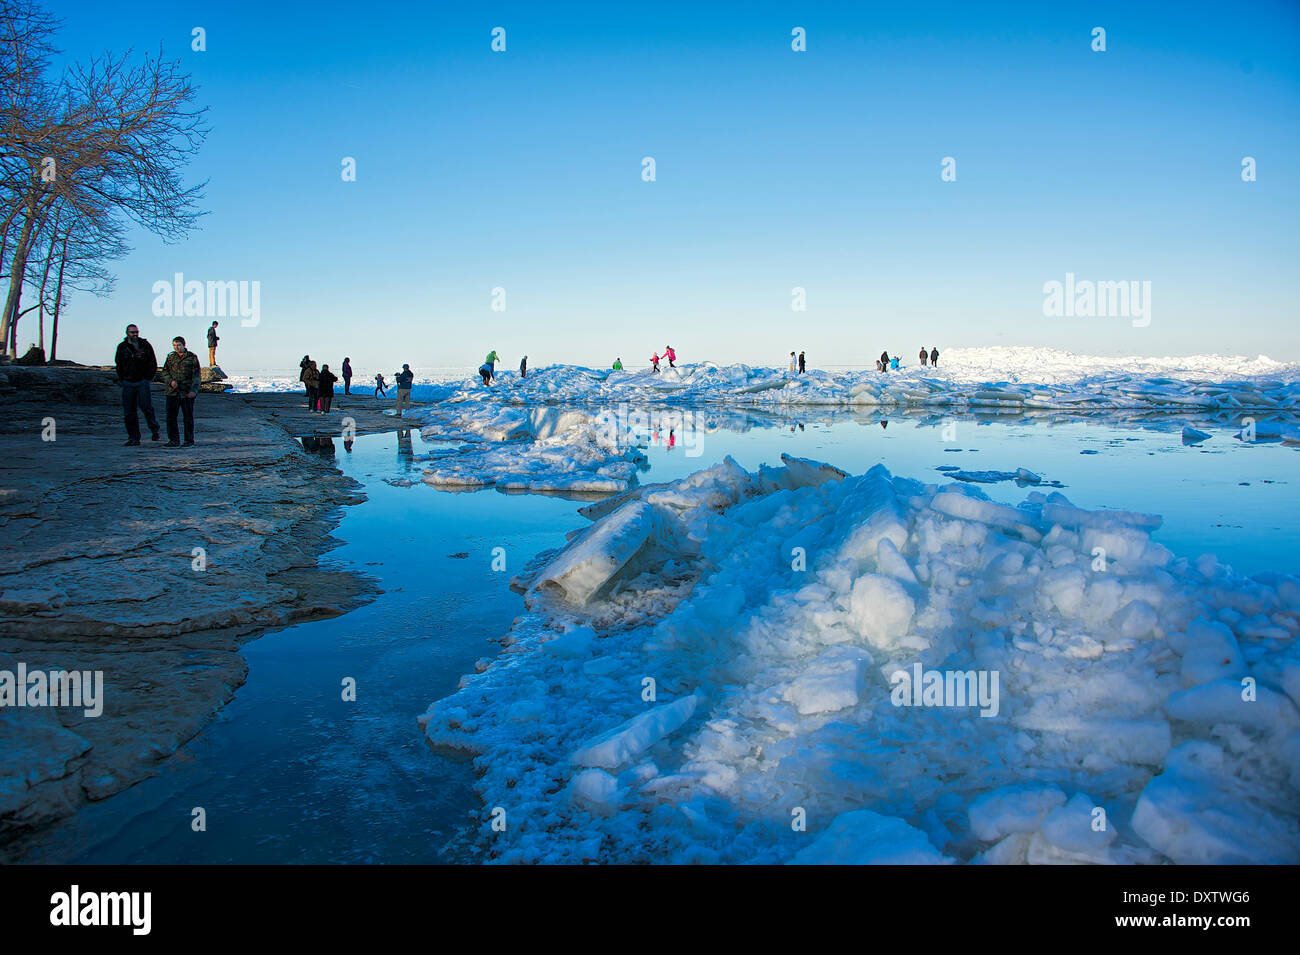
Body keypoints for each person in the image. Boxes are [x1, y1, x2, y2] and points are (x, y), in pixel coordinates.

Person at [114, 324, 161, 446]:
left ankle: (154, 429)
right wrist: (122, 378)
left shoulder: (145, 345)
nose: (135, 334)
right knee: (129, 412)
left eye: (136, 332)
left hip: (142, 381)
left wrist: (148, 378)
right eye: (132, 332)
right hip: (128, 382)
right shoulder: (122, 347)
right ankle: (134, 438)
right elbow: (118, 363)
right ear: (127, 333)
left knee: (146, 407)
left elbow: (152, 362)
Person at [161, 336, 200, 446]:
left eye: (178, 345)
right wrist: (170, 381)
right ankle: (173, 440)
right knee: (171, 417)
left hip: (186, 392)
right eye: (174, 345)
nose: (176, 347)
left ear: (184, 345)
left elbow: (196, 375)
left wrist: (194, 390)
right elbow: (164, 372)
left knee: (188, 417)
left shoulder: (192, 357)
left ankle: (189, 440)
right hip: (172, 392)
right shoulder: (170, 357)